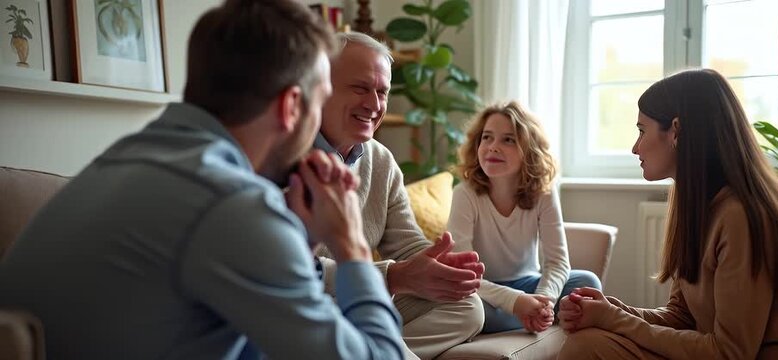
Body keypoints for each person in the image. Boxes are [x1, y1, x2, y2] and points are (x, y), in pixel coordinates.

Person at [0, 1, 404, 359]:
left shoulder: (129, 158)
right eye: (319, 104)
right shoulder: (230, 203)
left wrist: (300, 237)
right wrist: (351, 246)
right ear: (291, 106)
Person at [556, 68, 778, 359]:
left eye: (642, 130)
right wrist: (611, 310)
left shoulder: (742, 215)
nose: (635, 147)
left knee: (588, 347)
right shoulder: (698, 205)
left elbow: (731, 352)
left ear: (676, 130)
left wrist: (615, 320)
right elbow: (681, 316)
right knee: (588, 342)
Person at [312, 32, 485, 359]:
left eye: (382, 92)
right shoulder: (283, 156)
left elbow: (406, 244)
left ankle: (364, 350)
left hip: (363, 300)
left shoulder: (380, 160)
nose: (374, 105)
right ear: (320, 86)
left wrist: (440, 266)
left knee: (466, 307)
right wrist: (392, 276)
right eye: (361, 88)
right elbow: (287, 268)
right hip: (312, 301)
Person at [446, 101, 602, 334]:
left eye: (508, 139)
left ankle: (533, 316)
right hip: (481, 291)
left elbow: (558, 263)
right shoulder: (464, 194)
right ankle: (529, 316)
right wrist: (516, 302)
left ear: (529, 150)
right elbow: (464, 276)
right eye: (487, 137)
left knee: (587, 284)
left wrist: (543, 301)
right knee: (468, 310)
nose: (493, 147)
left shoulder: (545, 194)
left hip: (528, 286)